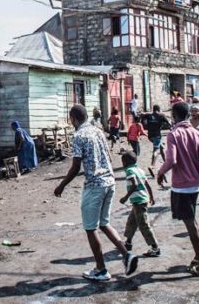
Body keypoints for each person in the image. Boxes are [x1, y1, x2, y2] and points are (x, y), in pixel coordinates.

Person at [54, 105, 138, 282]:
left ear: (74, 119)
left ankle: (101, 270)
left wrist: (61, 185)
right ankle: (126, 255)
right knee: (104, 224)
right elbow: (108, 154)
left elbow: (76, 166)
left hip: (94, 185)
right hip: (110, 182)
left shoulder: (78, 136)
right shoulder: (98, 131)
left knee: (91, 228)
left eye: (71, 119)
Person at [157, 102, 199, 277]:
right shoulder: (198, 134)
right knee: (192, 221)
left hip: (182, 186)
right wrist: (198, 169)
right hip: (195, 185)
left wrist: (160, 172)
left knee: (190, 224)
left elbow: (172, 160)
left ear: (174, 116)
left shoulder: (174, 134)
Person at [119, 151, 160, 257]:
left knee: (144, 225)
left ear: (126, 162)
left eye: (122, 162)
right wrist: (151, 197)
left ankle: (155, 248)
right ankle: (128, 242)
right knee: (132, 221)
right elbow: (148, 185)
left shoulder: (129, 171)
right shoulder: (140, 170)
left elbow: (134, 185)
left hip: (139, 201)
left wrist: (125, 197)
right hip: (141, 200)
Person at [143, 105, 171, 175]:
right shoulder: (161, 115)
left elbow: (142, 116)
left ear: (153, 109)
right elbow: (169, 124)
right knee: (156, 150)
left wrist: (143, 122)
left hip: (150, 136)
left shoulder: (149, 115)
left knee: (161, 148)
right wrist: (170, 128)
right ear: (159, 109)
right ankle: (152, 165)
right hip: (157, 136)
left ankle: (166, 163)